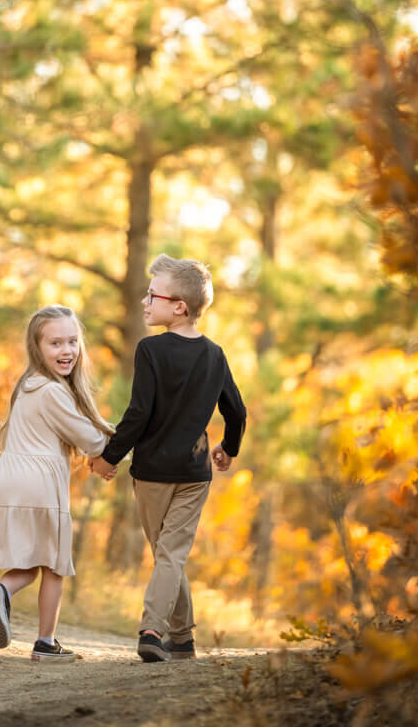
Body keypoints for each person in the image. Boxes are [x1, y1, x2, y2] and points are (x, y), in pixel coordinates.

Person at [90, 254, 247, 663]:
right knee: (171, 555)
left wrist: (109, 457)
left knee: (167, 553)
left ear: (179, 306)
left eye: (152, 294)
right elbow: (237, 411)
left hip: (154, 474)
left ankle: (151, 630)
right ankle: (182, 637)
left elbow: (138, 413)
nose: (145, 301)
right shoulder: (215, 355)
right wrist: (228, 448)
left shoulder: (150, 350)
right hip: (195, 472)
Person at [0, 304, 114, 662]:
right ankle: (46, 643)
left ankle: (2, 589)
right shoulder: (52, 391)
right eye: (55, 343)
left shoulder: (27, 384)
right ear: (37, 347)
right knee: (53, 566)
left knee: (34, 563)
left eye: (72, 341)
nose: (66, 351)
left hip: (10, 482)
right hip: (39, 484)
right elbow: (92, 441)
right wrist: (107, 457)